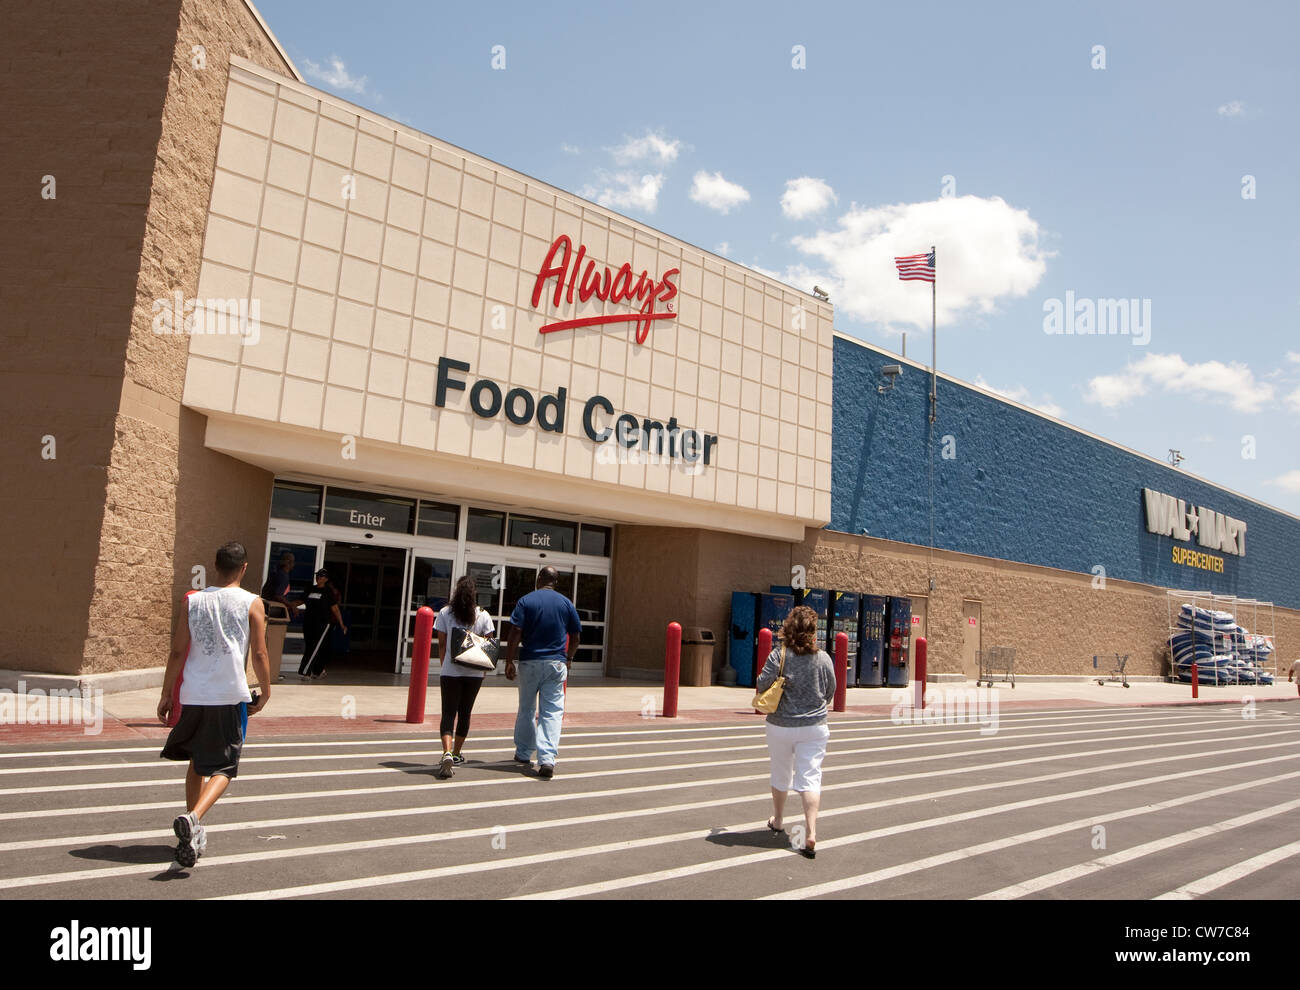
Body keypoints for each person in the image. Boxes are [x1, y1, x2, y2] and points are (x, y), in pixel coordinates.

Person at [158, 541, 270, 868]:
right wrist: (265, 691)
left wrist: (167, 693)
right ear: (244, 568)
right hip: (228, 695)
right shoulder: (252, 602)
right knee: (224, 766)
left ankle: (193, 834)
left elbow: (177, 651)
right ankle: (194, 817)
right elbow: (261, 654)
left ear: (215, 566)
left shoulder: (192, 600)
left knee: (196, 760)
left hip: (194, 694)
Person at [756, 605, 836, 859]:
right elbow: (830, 690)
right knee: (810, 777)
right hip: (814, 727)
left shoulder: (778, 656)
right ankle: (811, 832)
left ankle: (779, 820)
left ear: (788, 628)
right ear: (813, 632)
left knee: (781, 773)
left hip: (780, 725)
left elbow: (761, 683)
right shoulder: (823, 658)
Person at [504, 566, 581, 779]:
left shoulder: (526, 601)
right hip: (556, 664)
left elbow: (516, 631)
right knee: (552, 712)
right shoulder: (566, 603)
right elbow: (575, 637)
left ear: (539, 579)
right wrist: (569, 658)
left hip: (530, 661)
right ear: (555, 582)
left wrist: (509, 660)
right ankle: (547, 759)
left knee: (527, 709)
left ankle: (523, 753)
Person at [432, 575, 497, 778]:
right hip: (475, 672)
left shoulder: (445, 613)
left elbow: (442, 644)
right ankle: (458, 752)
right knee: (465, 713)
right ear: (474, 593)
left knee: (448, 713)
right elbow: (489, 646)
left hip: (451, 671)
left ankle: (447, 753)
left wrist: (445, 665)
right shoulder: (483, 615)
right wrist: (483, 670)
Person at [299, 568, 345, 680]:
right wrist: (289, 605)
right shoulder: (310, 589)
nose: (318, 577)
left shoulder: (328, 592)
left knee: (314, 647)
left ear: (326, 579)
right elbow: (300, 601)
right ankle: (319, 670)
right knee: (311, 646)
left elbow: (335, 609)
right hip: (309, 623)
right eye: (318, 575)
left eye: (321, 576)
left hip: (322, 624)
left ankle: (307, 672)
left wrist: (341, 623)